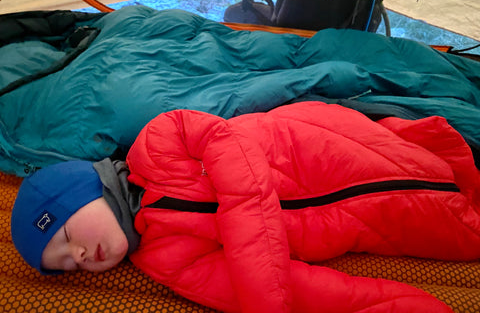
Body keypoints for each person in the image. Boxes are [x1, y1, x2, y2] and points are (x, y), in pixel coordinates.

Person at [11, 101, 480, 313]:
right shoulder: (164, 262)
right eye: (68, 267)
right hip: (370, 219)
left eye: (66, 238)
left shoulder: (160, 141)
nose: (80, 258)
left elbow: (234, 156)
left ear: (82, 193)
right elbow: (288, 288)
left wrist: (253, 248)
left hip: (331, 148)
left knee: (427, 161)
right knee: (459, 233)